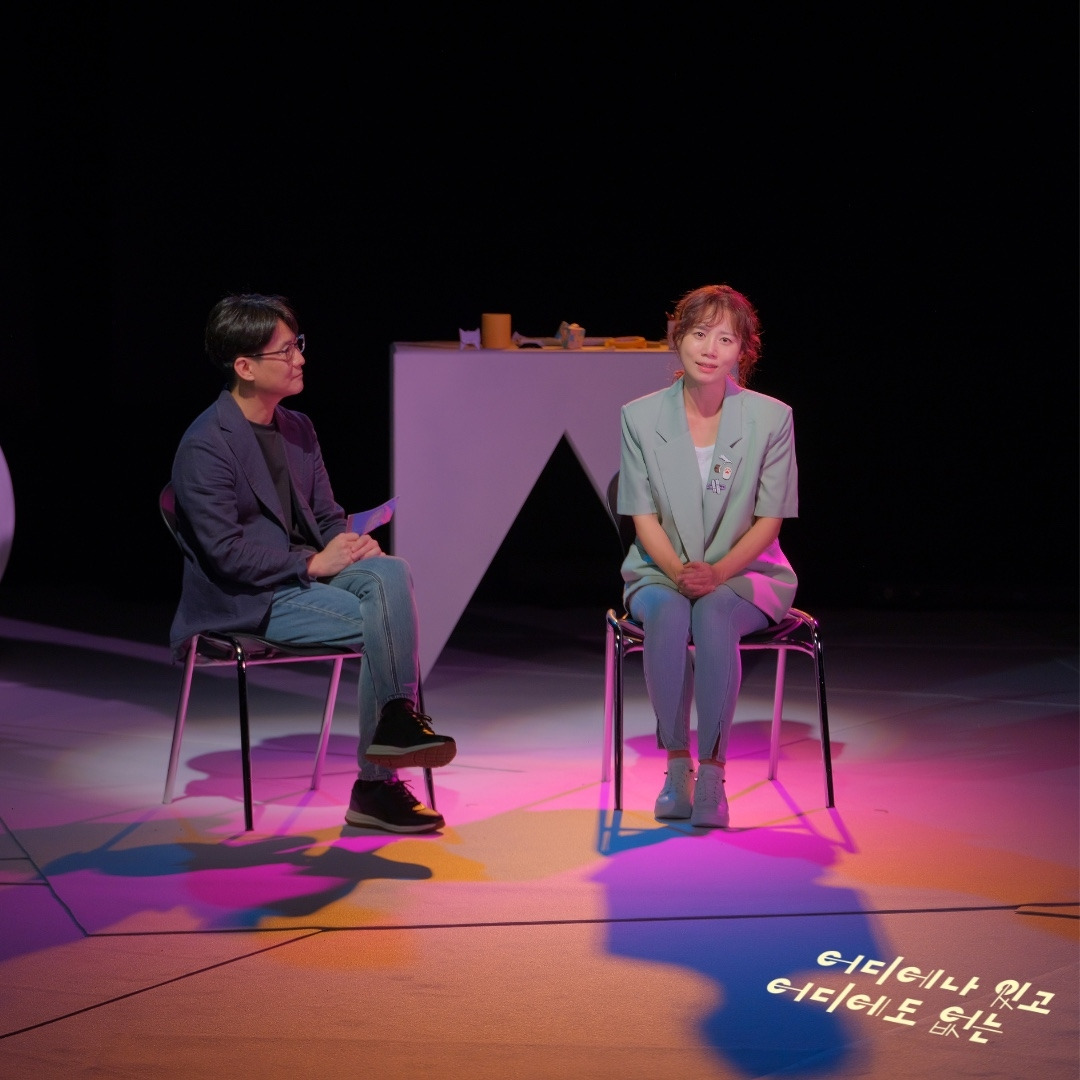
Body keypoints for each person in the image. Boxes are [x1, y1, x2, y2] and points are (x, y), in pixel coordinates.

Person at [169, 293, 456, 833]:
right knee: (389, 625)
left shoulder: (298, 428)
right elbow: (225, 553)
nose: (300, 358)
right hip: (245, 598)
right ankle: (377, 784)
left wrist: (350, 544)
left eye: (298, 344)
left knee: (392, 571)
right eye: (285, 351)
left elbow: (324, 516)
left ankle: (393, 730)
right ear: (245, 367)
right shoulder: (205, 445)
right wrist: (313, 565)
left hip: (304, 578)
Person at [617, 284, 798, 828]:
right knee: (671, 612)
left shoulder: (771, 418)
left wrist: (717, 572)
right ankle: (678, 767)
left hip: (746, 571)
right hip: (660, 568)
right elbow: (642, 517)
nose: (710, 349)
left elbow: (770, 520)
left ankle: (714, 775)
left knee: (715, 612)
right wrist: (678, 572)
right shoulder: (639, 417)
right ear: (678, 337)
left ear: (744, 349)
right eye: (699, 333)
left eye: (725, 338)